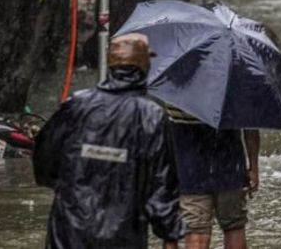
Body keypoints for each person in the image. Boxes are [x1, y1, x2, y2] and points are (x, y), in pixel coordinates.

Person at [33, 33, 184, 249]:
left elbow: (44, 161)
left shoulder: (77, 105)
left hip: (69, 232)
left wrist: (71, 191)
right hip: (122, 236)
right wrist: (170, 236)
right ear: (145, 65)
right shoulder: (151, 116)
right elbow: (162, 187)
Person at [167, 110, 260, 249]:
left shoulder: (173, 91)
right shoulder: (235, 90)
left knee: (196, 229)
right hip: (230, 164)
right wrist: (254, 166)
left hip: (190, 167)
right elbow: (250, 126)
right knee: (234, 226)